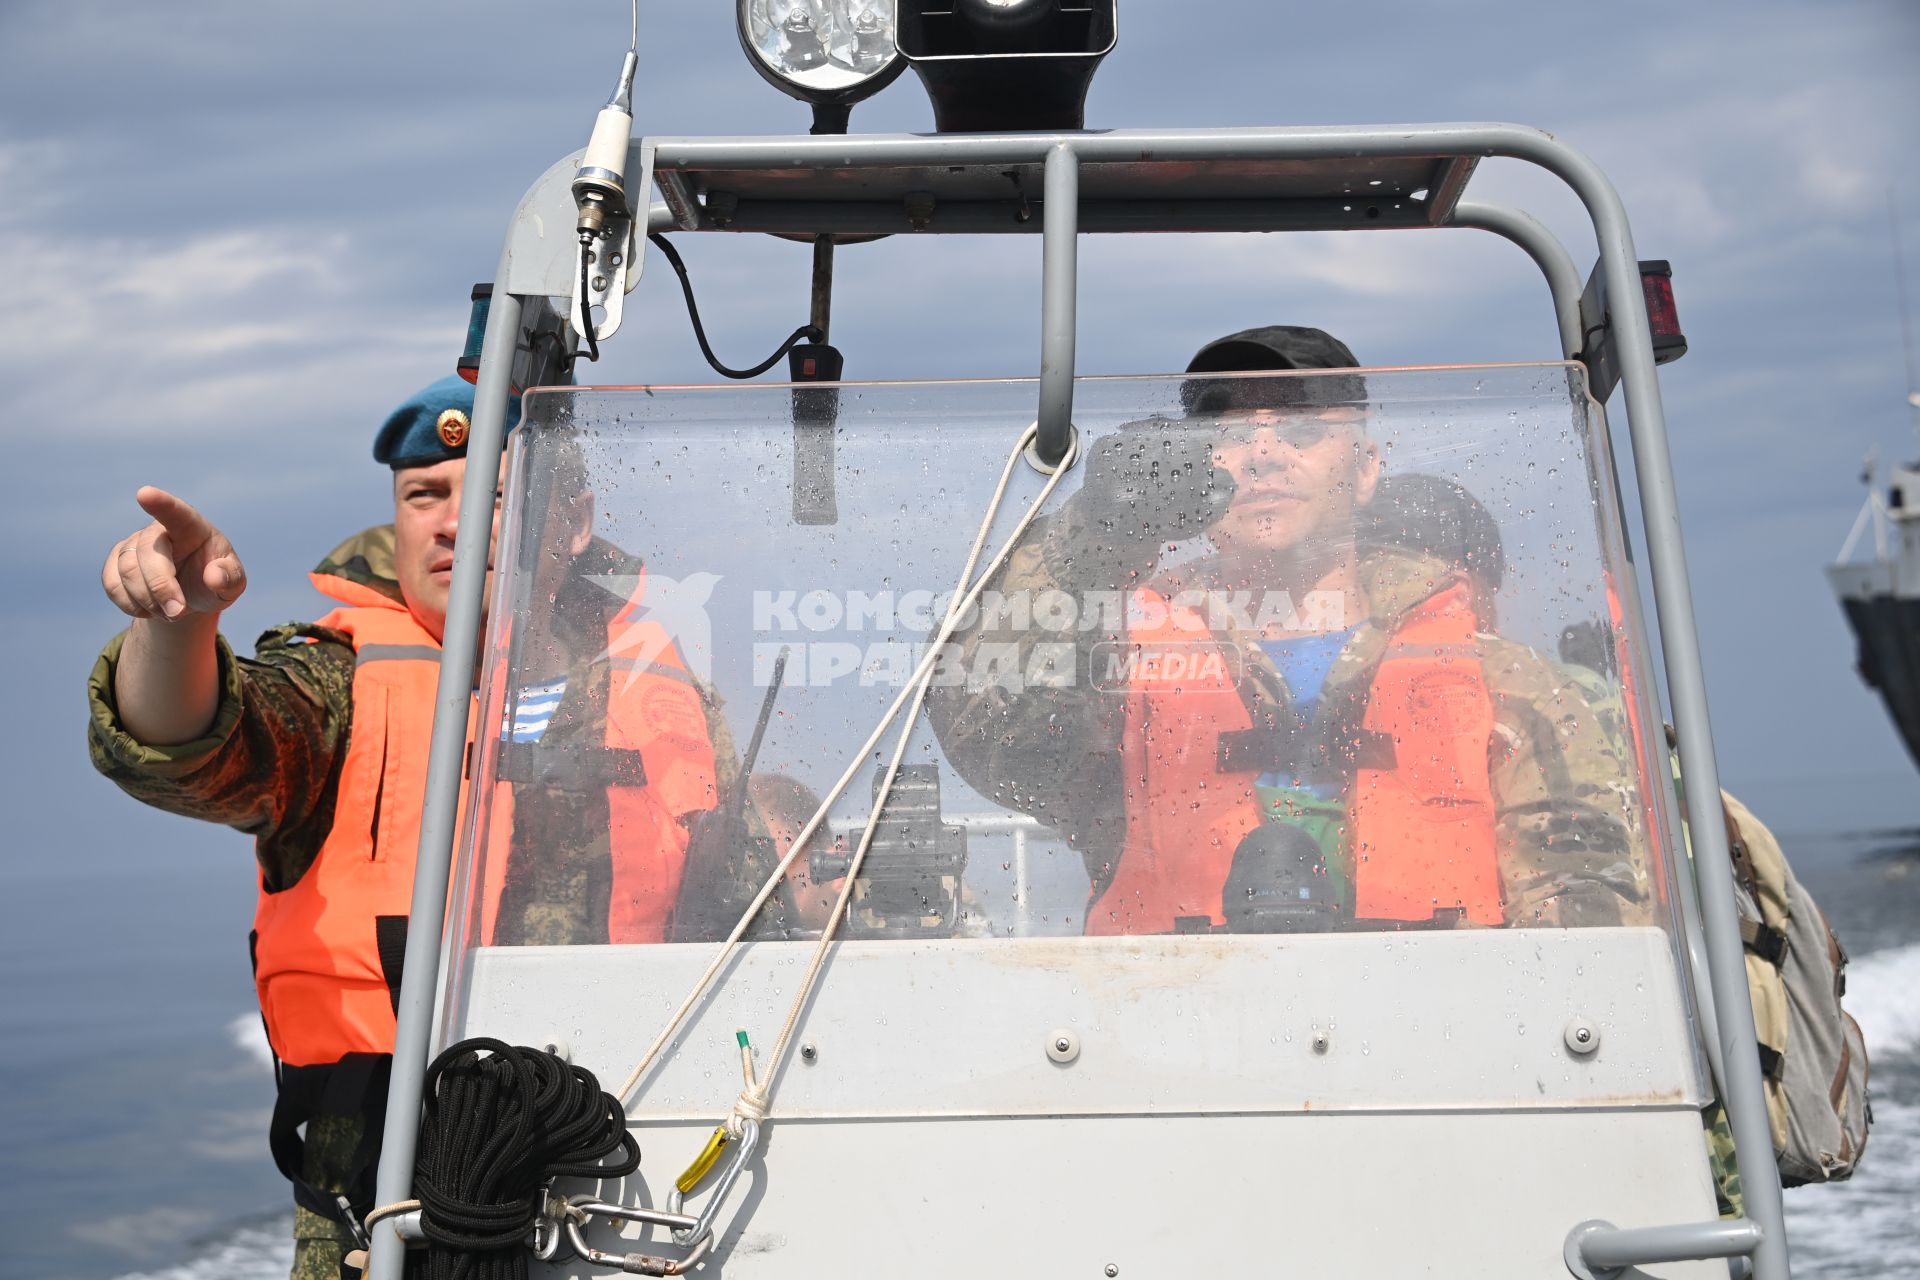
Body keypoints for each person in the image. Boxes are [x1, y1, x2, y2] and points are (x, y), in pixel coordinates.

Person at [86, 376, 749, 1279]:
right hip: (388, 1188)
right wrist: (179, 624)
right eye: (423, 495)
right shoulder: (335, 681)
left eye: (491, 493)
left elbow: (744, 890)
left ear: (576, 521)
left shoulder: (661, 692)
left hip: (622, 1158)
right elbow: (190, 743)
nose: (451, 521)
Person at [925, 326, 1651, 936]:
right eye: (1231, 433)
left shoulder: (1504, 682)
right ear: (1198, 465)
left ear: (1366, 470)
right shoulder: (1118, 668)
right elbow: (984, 731)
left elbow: (1590, 904)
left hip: (1440, 1054)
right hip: (1166, 1044)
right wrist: (1091, 538)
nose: (1265, 453)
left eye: (1302, 429)